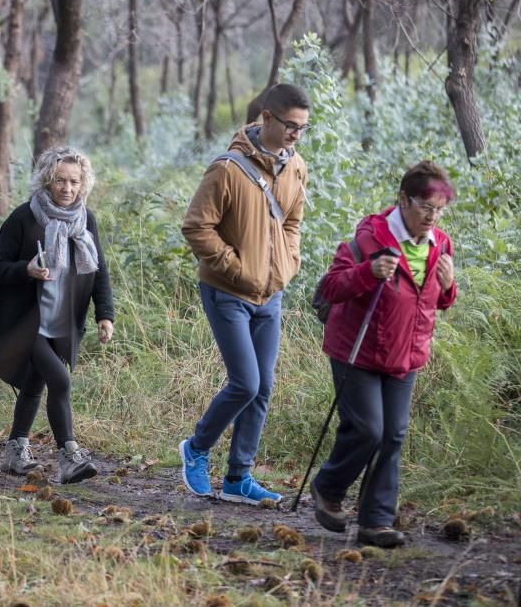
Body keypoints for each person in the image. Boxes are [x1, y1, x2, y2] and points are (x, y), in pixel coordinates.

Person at [310, 161, 456, 548]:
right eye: (426, 206)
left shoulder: (440, 243)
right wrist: (368, 272)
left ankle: (375, 522)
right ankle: (328, 487)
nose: (432, 216)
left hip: (406, 353)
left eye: (439, 209)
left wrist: (449, 285)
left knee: (393, 435)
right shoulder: (369, 238)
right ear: (403, 200)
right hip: (356, 349)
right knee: (368, 429)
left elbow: (436, 302)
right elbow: (331, 287)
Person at [179, 83, 310, 505]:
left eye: (303, 128)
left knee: (264, 386)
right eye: (290, 126)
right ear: (266, 119)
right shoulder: (227, 169)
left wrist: (287, 263)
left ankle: (238, 478)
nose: (296, 134)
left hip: (270, 295)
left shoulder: (296, 167)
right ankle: (196, 449)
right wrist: (236, 269)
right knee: (245, 383)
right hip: (227, 292)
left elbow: (292, 221)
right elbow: (197, 227)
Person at [0, 146, 114, 484]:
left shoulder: (86, 220)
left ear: (83, 184)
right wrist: (25, 270)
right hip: (25, 322)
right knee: (60, 380)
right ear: (47, 180)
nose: (67, 188)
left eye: (74, 182)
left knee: (34, 384)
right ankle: (69, 456)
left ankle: (15, 450)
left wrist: (105, 314)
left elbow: (99, 271)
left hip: (63, 323)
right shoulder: (24, 217)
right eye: (60, 180)